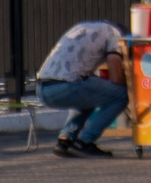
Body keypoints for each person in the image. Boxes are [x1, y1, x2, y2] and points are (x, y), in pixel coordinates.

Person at [37, 19, 131, 155]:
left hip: (42, 88)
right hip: (64, 86)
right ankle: (84, 141)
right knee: (121, 94)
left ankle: (65, 140)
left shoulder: (83, 27)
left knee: (89, 92)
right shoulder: (115, 35)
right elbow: (116, 78)